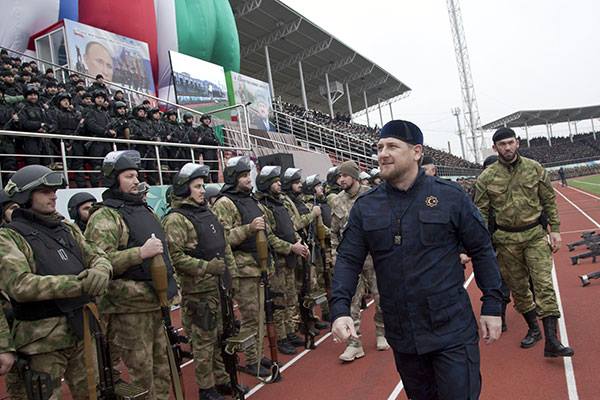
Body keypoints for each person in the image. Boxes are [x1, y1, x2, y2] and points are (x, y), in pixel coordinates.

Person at [331, 120, 504, 400]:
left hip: (451, 330)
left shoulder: (450, 197)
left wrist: (492, 305)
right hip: (404, 335)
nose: (383, 153)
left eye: (392, 146)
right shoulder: (367, 206)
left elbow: (482, 249)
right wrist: (339, 308)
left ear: (416, 152)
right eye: (379, 147)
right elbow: (348, 259)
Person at [0, 165, 112, 399]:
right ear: (24, 196)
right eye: (44, 191)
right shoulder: (8, 237)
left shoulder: (67, 229)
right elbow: (20, 285)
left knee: (93, 394)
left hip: (82, 329)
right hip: (42, 341)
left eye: (53, 190)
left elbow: (98, 255)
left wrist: (101, 271)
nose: (53, 195)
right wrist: (80, 284)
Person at [85, 150, 178, 397]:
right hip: (128, 310)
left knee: (162, 369)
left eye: (136, 175)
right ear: (114, 179)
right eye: (129, 176)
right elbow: (98, 262)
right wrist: (139, 253)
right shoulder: (105, 216)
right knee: (142, 376)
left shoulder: (144, 210)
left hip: (154, 303)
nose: (136, 180)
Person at [474, 127, 574, 358]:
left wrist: (555, 230)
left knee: (543, 285)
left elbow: (548, 200)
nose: (507, 148)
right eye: (502, 144)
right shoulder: (486, 178)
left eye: (510, 142)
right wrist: (482, 244)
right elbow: (480, 213)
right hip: (505, 241)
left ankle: (552, 341)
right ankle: (533, 329)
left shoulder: (534, 168)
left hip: (535, 236)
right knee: (519, 290)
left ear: (517, 143)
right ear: (495, 148)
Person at [162, 163, 234, 400]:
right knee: (203, 342)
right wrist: (207, 267)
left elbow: (223, 246)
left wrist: (229, 274)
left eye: (203, 186)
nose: (203, 190)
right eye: (197, 186)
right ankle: (206, 388)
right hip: (198, 292)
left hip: (218, 289)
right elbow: (175, 256)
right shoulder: (176, 219)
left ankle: (221, 379)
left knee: (218, 337)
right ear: (184, 189)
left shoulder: (207, 212)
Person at [212, 156, 282, 378]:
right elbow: (223, 239)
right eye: (243, 176)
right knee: (251, 316)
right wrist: (248, 229)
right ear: (233, 178)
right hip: (243, 270)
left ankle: (256, 353)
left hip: (259, 266)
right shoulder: (224, 203)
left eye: (248, 175)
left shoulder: (252, 201)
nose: (248, 180)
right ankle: (251, 359)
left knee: (260, 314)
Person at [330, 160, 389, 362]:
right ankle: (354, 345)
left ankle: (382, 333)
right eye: (339, 176)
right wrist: (335, 256)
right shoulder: (336, 201)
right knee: (352, 304)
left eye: (344, 175)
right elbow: (334, 233)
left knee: (381, 299)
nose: (341, 179)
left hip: (374, 259)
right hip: (351, 262)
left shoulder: (371, 195)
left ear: (354, 176)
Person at [255, 166, 310, 355]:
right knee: (279, 301)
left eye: (279, 181)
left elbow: (290, 227)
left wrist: (298, 242)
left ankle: (290, 331)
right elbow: (269, 237)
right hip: (277, 261)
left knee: (290, 297)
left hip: (289, 259)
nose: (279, 184)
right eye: (275, 181)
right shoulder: (262, 206)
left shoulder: (281, 203)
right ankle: (281, 337)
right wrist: (290, 247)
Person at [197, 115, 220, 183]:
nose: (207, 120)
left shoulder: (211, 129)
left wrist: (216, 142)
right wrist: (214, 141)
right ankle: (207, 181)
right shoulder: (200, 128)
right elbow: (204, 139)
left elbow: (216, 138)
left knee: (215, 166)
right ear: (202, 120)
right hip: (207, 149)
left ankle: (215, 181)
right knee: (209, 166)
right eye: (205, 119)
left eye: (208, 119)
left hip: (213, 150)